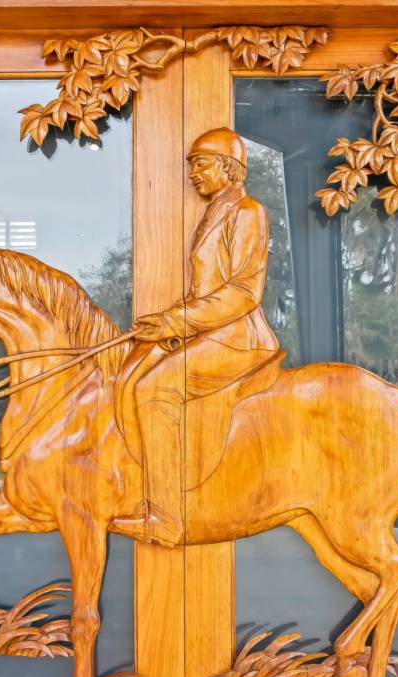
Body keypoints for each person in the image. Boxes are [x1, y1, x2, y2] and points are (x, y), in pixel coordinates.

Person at [112, 128, 280, 547]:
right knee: (134, 368)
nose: (192, 174)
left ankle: (165, 517)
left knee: (155, 388)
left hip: (237, 337)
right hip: (209, 331)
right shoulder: (215, 211)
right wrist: (163, 324)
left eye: (201, 164)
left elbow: (243, 292)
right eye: (191, 166)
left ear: (229, 167)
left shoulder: (248, 212)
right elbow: (204, 289)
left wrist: (176, 322)